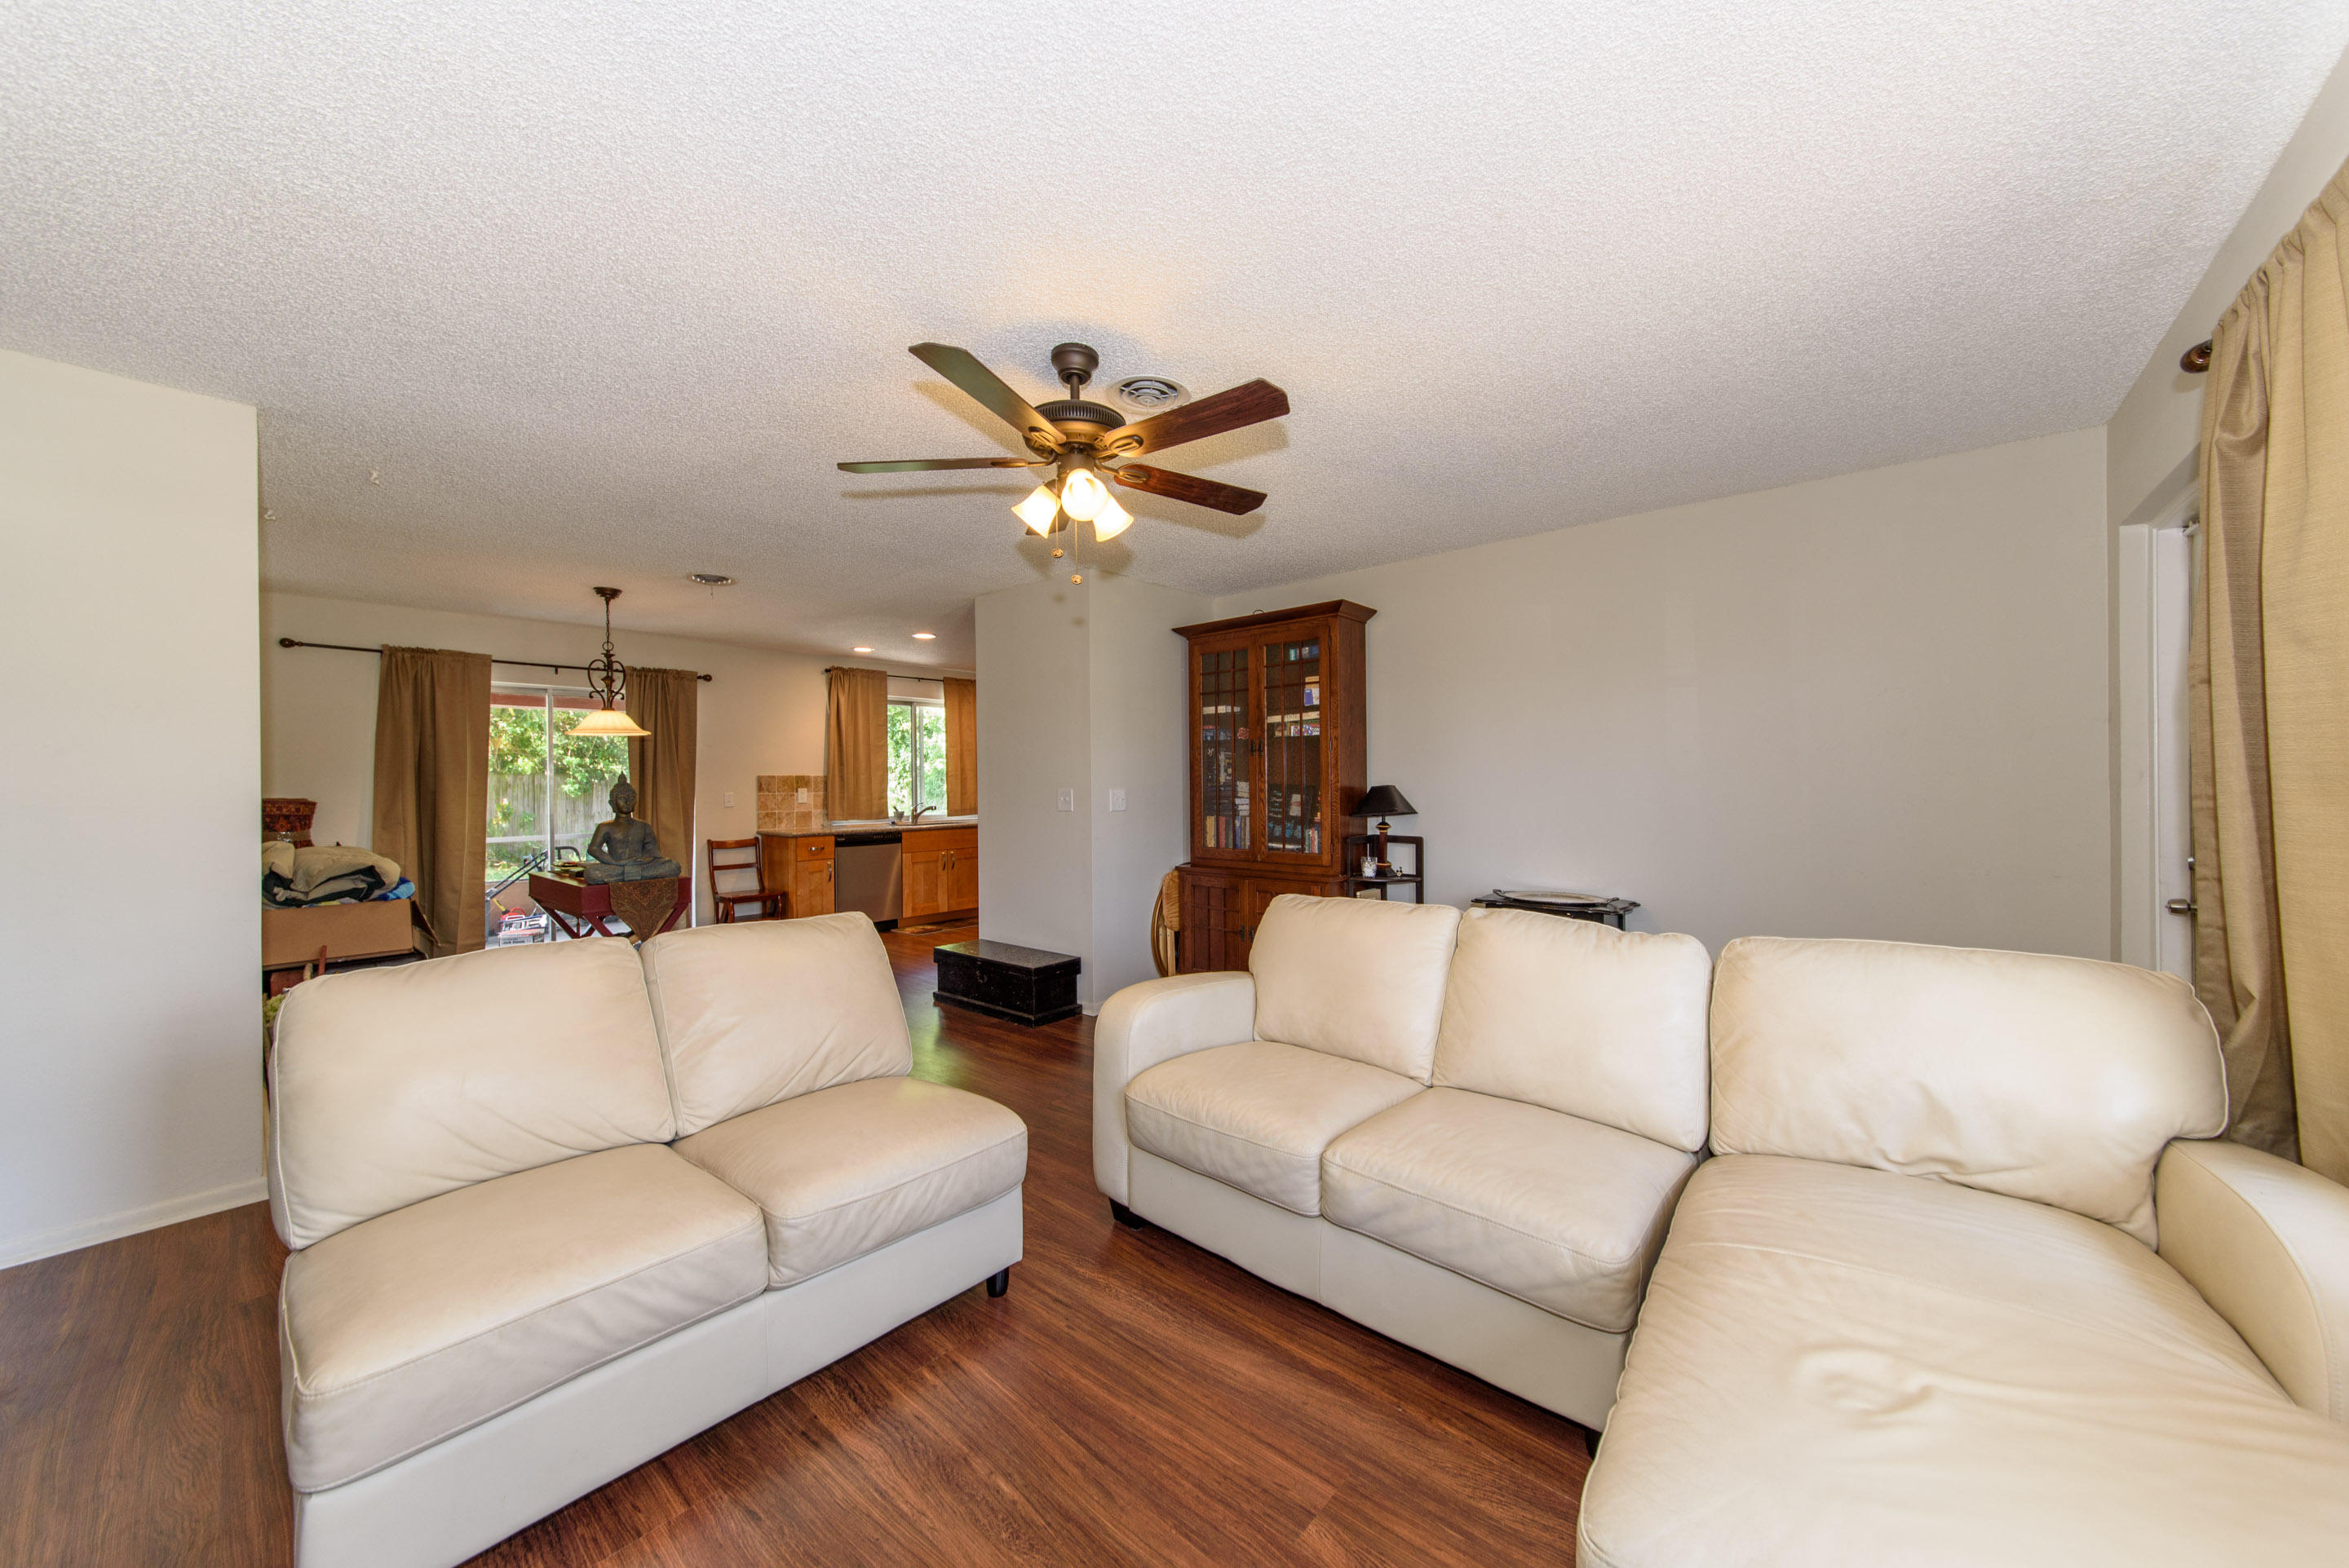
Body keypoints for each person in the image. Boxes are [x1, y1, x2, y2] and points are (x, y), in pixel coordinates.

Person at [582, 779, 681, 883]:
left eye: (632, 798)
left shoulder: (644, 826)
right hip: (617, 866)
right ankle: (635, 874)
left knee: (673, 866)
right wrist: (616, 862)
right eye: (622, 798)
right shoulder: (605, 827)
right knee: (591, 873)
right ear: (612, 803)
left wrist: (645, 860)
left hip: (638, 865)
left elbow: (653, 852)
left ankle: (629, 874)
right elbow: (593, 849)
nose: (628, 802)